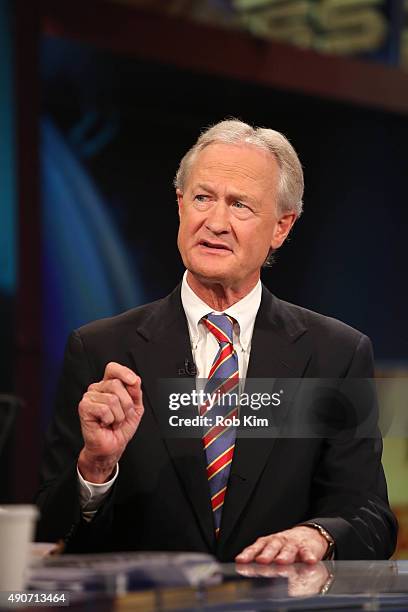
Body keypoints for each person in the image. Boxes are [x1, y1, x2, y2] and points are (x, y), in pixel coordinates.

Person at [36, 119, 397, 563]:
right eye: (203, 198)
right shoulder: (100, 350)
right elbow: (47, 532)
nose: (216, 222)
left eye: (240, 205)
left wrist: (319, 535)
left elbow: (370, 516)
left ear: (282, 226)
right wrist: (96, 469)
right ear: (180, 205)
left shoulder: (335, 354)